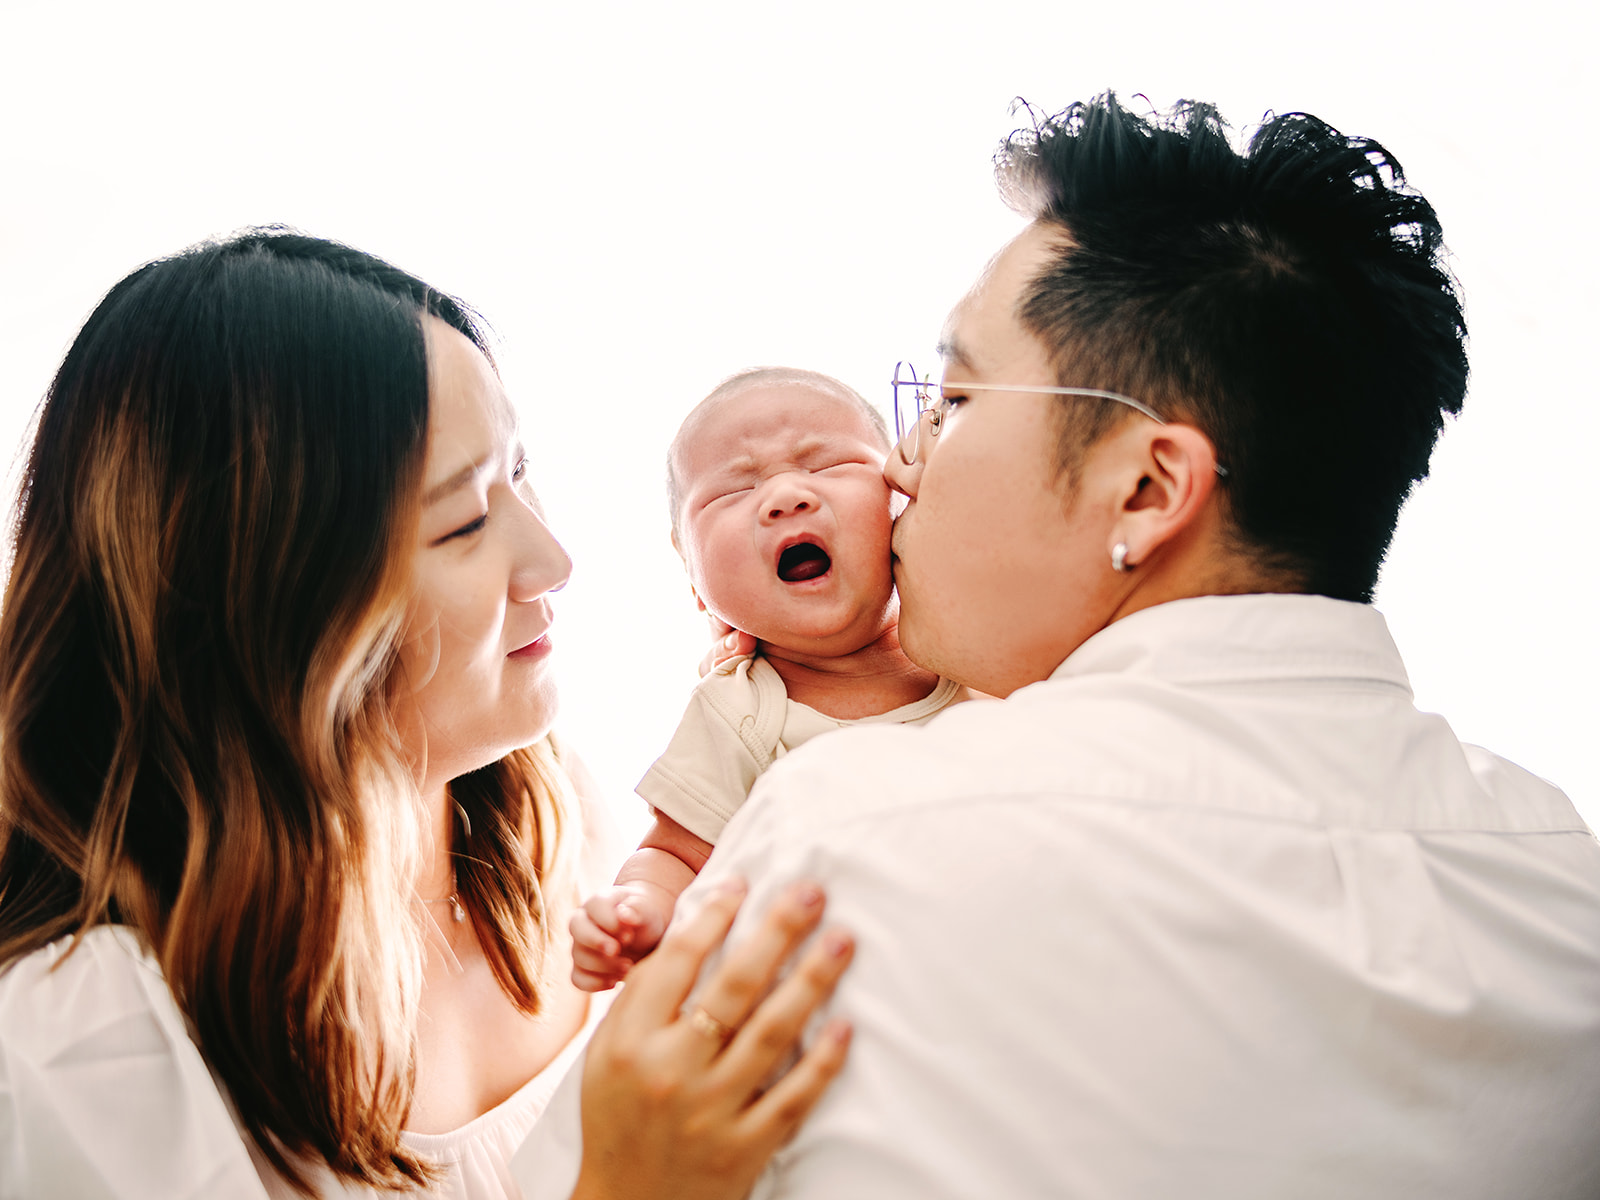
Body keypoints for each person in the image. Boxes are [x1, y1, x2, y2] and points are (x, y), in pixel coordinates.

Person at [522, 94, 1600, 1199]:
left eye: (950, 399)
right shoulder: (1565, 894)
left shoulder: (844, 842)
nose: (899, 470)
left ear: (1145, 488)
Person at [0, 230, 853, 1200]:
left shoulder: (555, 825)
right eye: (462, 523)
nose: (553, 562)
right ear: (271, 608)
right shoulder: (82, 1046)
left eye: (518, 475)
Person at [569, 369, 966, 992]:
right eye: (732, 492)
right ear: (692, 576)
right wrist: (640, 908)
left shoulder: (982, 650)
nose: (785, 495)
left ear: (906, 498)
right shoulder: (739, 714)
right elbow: (674, 856)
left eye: (829, 464)